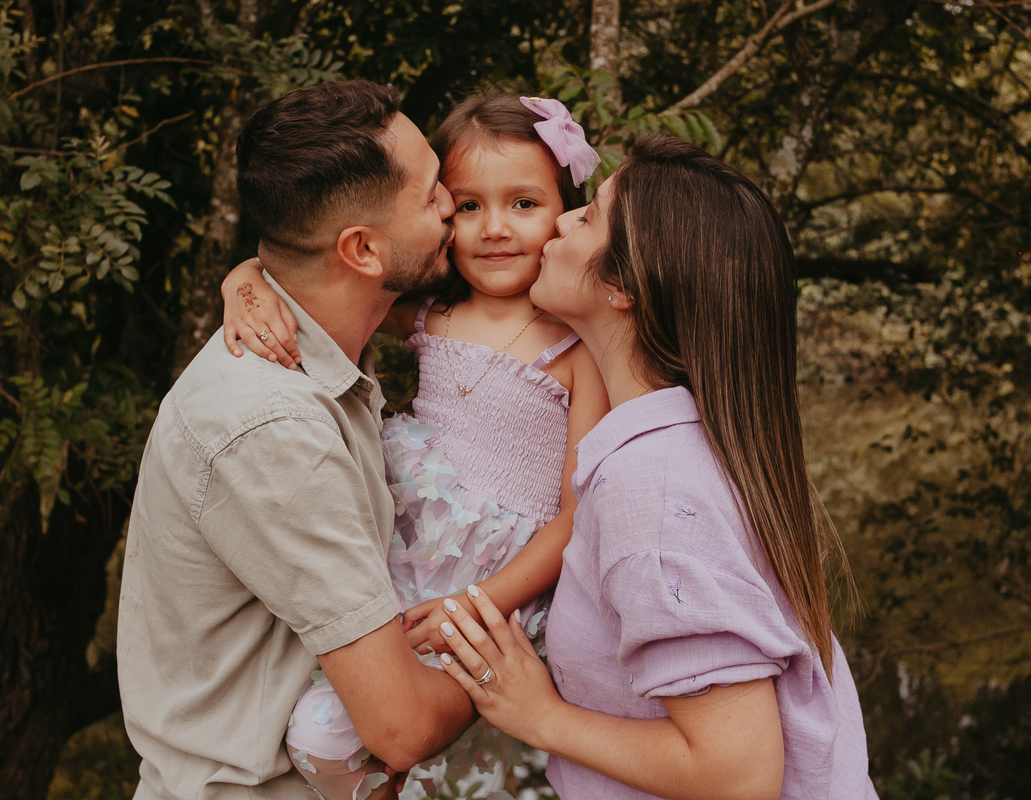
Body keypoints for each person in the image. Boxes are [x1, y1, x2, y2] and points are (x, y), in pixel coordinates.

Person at [435, 134, 878, 800]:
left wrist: (542, 717)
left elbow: (737, 775)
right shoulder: (684, 445)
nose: (558, 220)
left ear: (621, 287)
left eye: (586, 219)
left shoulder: (651, 488)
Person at [219, 94, 611, 798]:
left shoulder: (577, 343)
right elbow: (312, 282)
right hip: (398, 571)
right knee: (318, 728)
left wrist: (481, 602)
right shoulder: (428, 312)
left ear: (567, 209)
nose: (495, 228)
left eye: (524, 204)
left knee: (463, 760)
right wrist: (243, 279)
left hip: (495, 588)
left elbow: (576, 515)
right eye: (468, 206)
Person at [116, 80, 476, 800]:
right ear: (363, 250)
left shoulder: (325, 332)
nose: (454, 206)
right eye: (435, 192)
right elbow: (400, 726)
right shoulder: (275, 426)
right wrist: (528, 664)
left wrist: (247, 274)